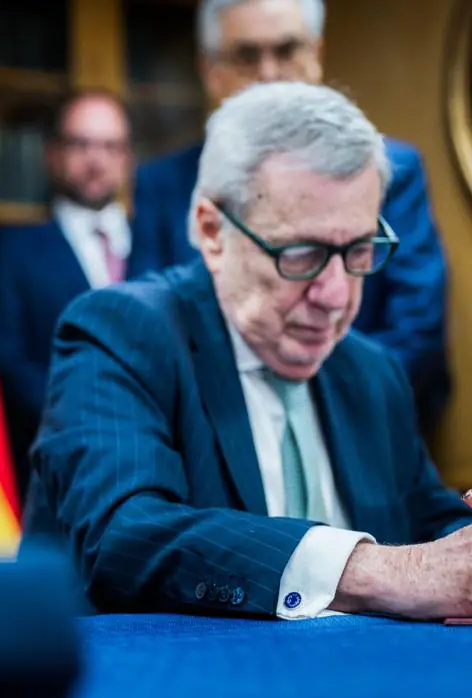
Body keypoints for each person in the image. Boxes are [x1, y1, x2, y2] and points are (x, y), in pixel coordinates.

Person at [24, 80, 472, 621]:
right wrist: (374, 572)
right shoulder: (119, 333)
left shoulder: (371, 370)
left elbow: (435, 528)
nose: (335, 296)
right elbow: (122, 535)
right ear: (212, 232)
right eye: (301, 253)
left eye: (358, 250)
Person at [127, 0, 451, 438]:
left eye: (286, 50)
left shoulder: (387, 168)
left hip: (366, 433)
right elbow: (149, 327)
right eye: (246, 55)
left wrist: (326, 425)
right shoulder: (162, 184)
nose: (269, 73)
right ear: (210, 71)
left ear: (316, 54)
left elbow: (416, 324)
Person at [0, 89, 132, 500]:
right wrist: (91, 421)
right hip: (53, 476)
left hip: (158, 476)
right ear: (52, 153)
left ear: (126, 158)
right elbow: (6, 362)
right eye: (81, 144)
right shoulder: (11, 250)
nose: (96, 160)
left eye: (110, 146)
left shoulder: (158, 245)